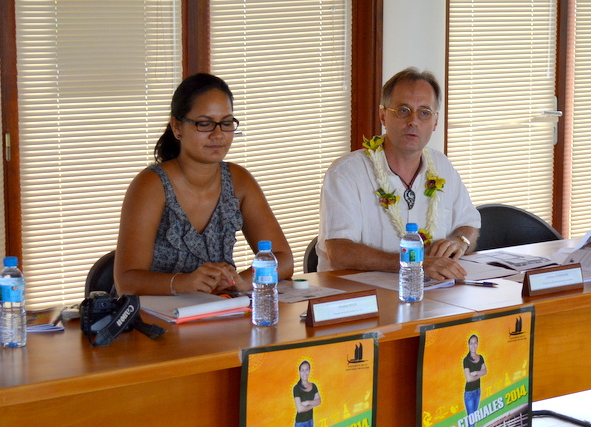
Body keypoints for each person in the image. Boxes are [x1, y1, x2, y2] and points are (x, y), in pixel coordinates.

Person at [114, 73, 293, 296]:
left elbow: (282, 259)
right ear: (177, 127)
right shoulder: (151, 185)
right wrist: (184, 283)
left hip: (220, 314)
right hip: (153, 322)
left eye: (226, 123)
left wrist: (243, 280)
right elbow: (127, 281)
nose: (218, 135)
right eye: (205, 124)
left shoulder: (239, 180)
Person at [317, 68, 480, 279]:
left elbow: (469, 223)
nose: (413, 121)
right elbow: (339, 252)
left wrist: (461, 241)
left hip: (435, 294)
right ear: (383, 116)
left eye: (424, 113)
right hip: (362, 298)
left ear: (435, 122)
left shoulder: (441, 166)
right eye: (403, 110)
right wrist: (414, 264)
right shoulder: (346, 173)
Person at [463, 334, 487, 427]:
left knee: (474, 419)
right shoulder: (466, 360)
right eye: (471, 343)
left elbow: (485, 371)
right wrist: (479, 375)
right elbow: (468, 379)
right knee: (471, 422)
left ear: (478, 344)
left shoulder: (481, 357)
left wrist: (476, 373)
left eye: (475, 343)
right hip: (469, 394)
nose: (473, 345)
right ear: (468, 345)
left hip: (478, 391)